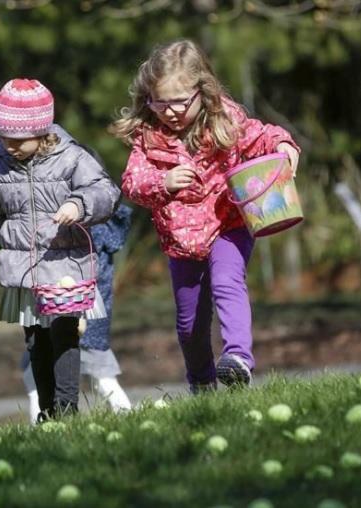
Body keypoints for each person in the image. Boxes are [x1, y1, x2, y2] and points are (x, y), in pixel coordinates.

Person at [109, 39, 300, 393]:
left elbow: (263, 136)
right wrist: (162, 181)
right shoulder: (148, 138)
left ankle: (238, 358)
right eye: (159, 102)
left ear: (202, 92)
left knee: (228, 283)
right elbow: (132, 184)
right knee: (190, 325)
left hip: (228, 225)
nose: (170, 112)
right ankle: (202, 385)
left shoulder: (225, 119)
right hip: (181, 242)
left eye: (180, 102)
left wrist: (284, 145)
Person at [0, 78, 121, 421]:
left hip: (65, 265)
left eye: (18, 140)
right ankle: (48, 410)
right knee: (36, 339)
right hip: (25, 270)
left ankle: (67, 410)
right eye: (3, 138)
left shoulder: (71, 158)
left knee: (64, 334)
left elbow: (105, 191)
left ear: (42, 131)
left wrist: (79, 204)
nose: (10, 146)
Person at [20, 205, 134, 422]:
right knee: (40, 376)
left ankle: (127, 416)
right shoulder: (93, 225)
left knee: (101, 377)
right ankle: (42, 424)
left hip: (82, 317)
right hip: (60, 311)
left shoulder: (88, 233)